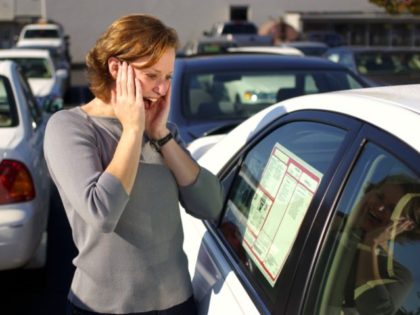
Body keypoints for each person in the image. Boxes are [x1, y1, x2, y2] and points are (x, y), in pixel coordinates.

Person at [43, 14, 223, 315]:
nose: (163, 89)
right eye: (152, 75)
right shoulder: (71, 127)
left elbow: (210, 205)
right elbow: (101, 212)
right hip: (102, 308)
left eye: (167, 77)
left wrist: (161, 135)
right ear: (116, 68)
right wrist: (132, 131)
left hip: (177, 304)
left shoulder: (161, 131)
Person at [343, 175, 420, 315]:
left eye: (391, 209)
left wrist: (370, 244)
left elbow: (376, 311)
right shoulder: (328, 218)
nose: (379, 207)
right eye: (379, 197)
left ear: (406, 226)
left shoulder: (398, 274)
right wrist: (349, 222)